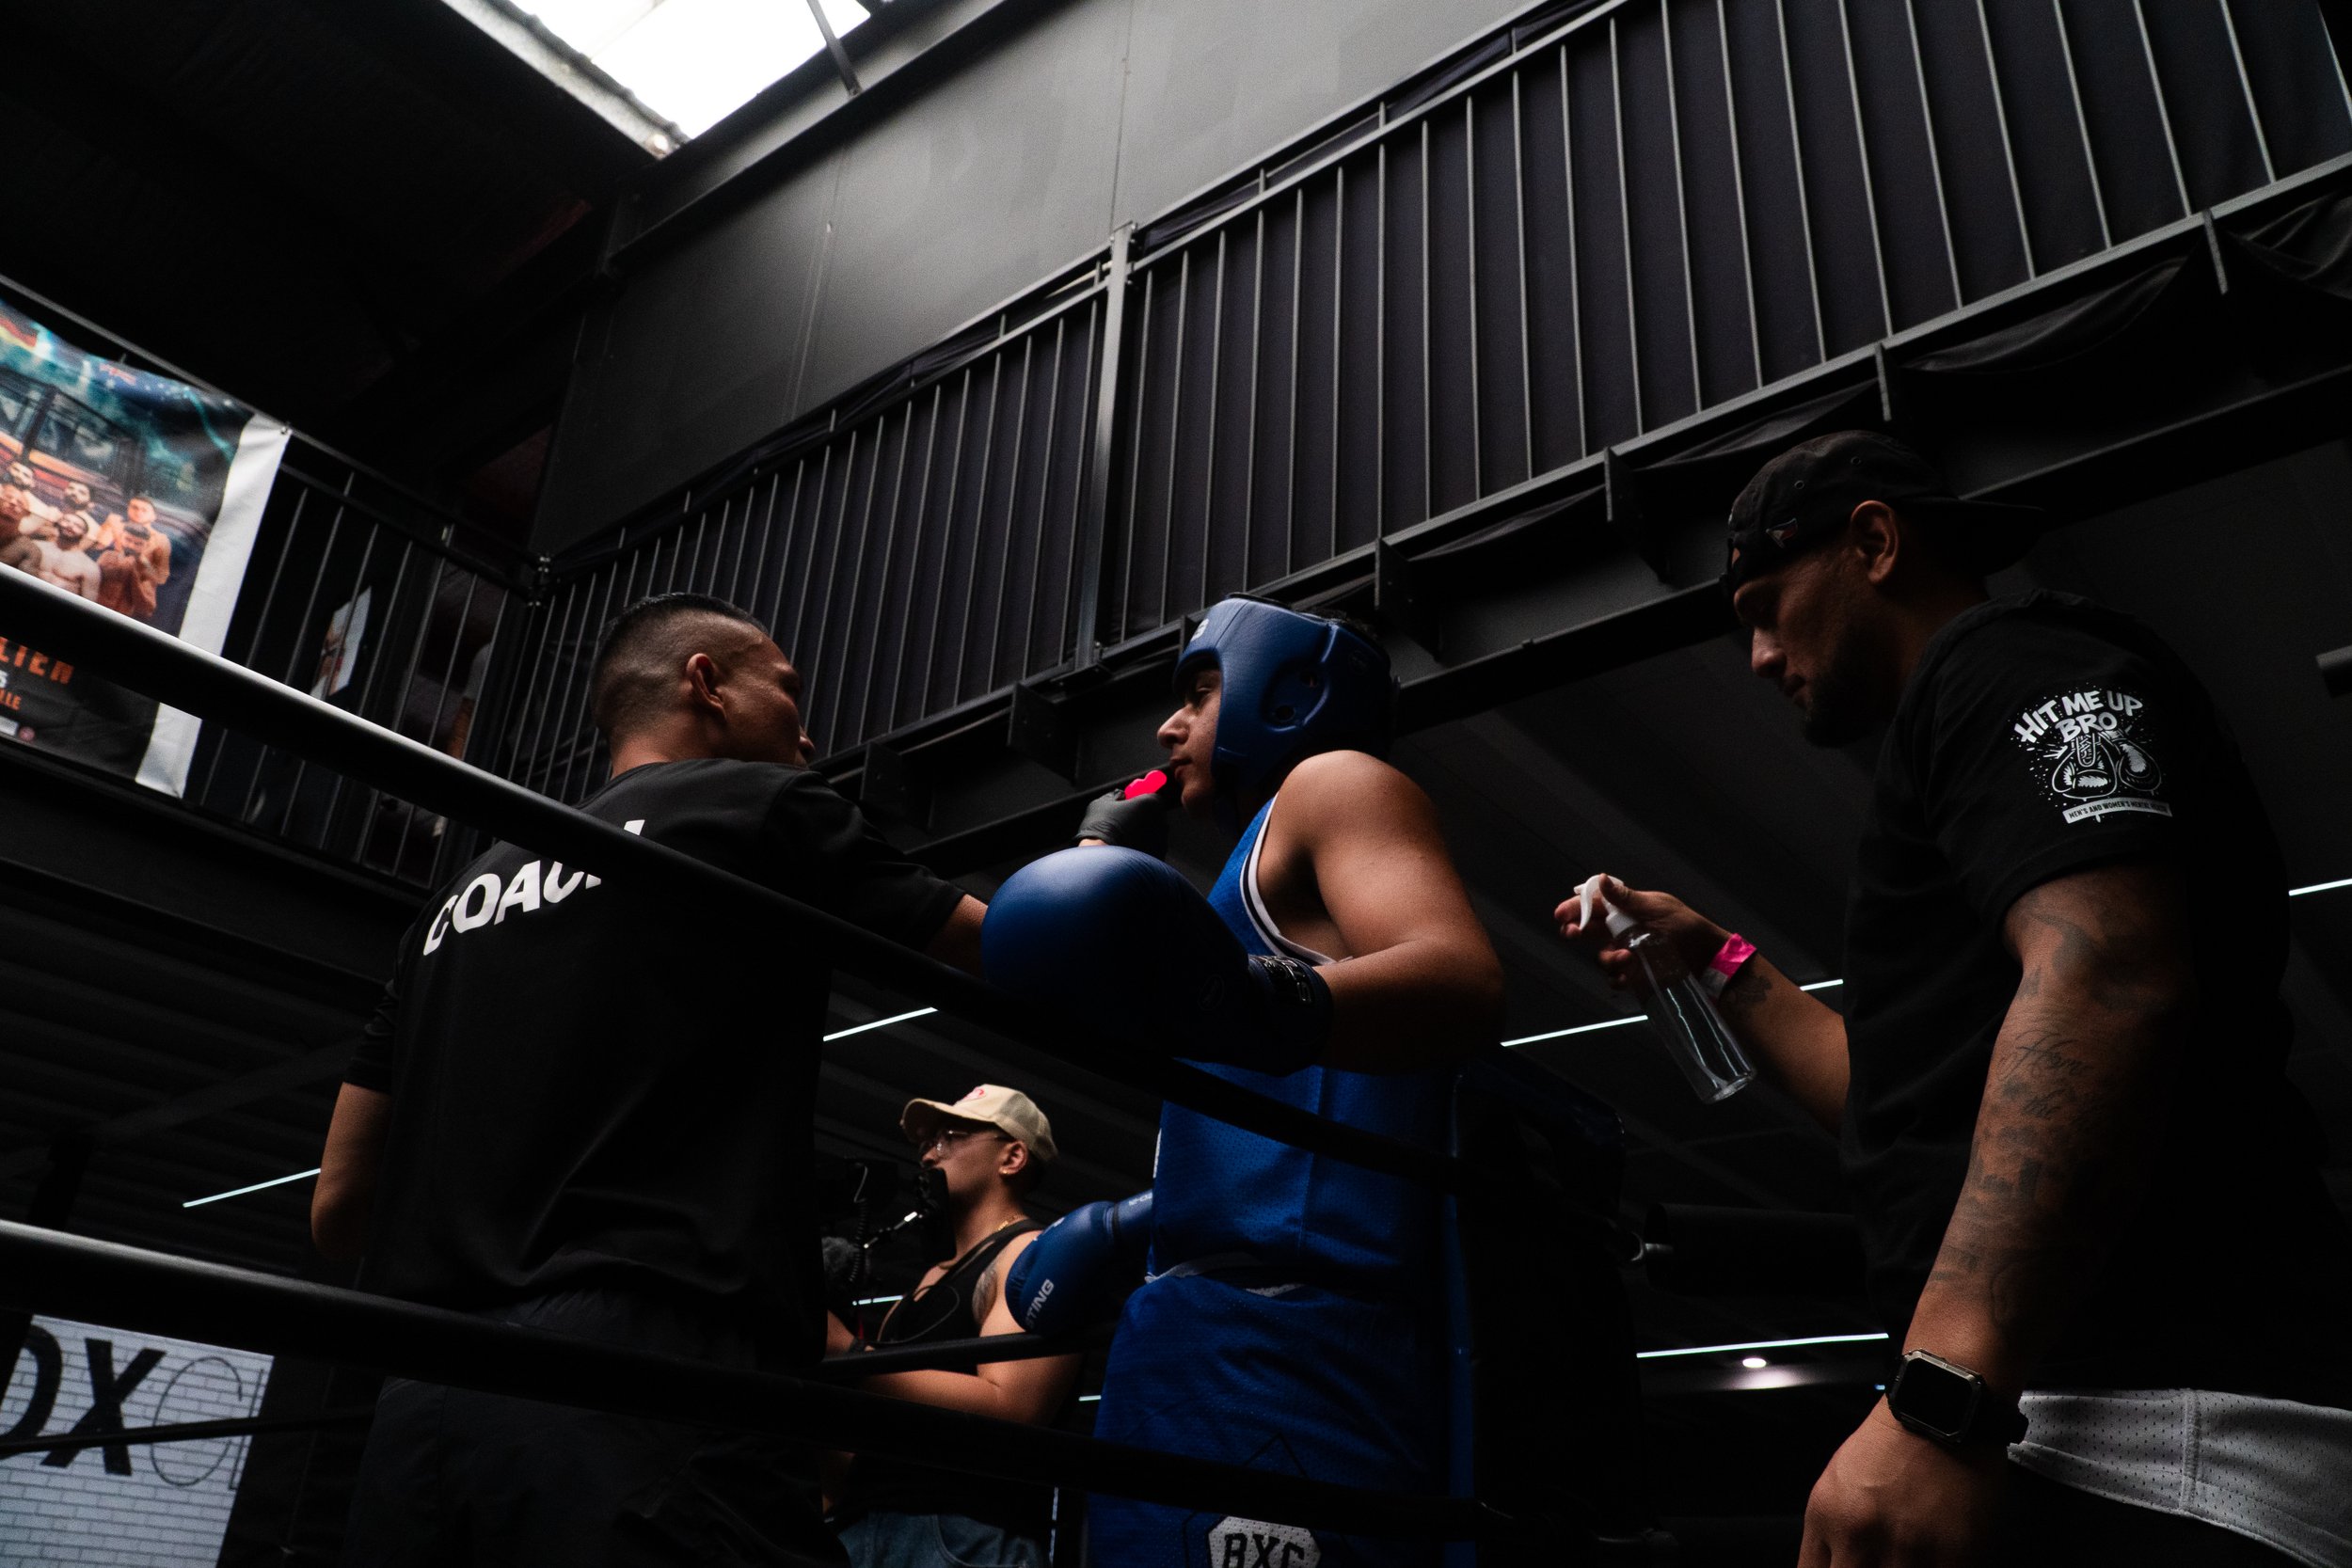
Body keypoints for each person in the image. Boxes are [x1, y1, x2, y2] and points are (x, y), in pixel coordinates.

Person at [1556, 431, 2352, 1567]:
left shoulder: (2005, 663)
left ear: (1874, 542)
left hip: (2164, 1436)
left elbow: (2110, 974)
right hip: (2085, 1426)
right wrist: (1713, 959)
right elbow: (1898, 1113)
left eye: (1766, 601)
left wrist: (1941, 1397)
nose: (1755, 651)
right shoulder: (1948, 750)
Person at [312, 591, 986, 1568]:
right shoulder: (754, 803)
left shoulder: (452, 906)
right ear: (706, 682)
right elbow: (996, 948)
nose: (809, 731)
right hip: (647, 1382)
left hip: (424, 1408)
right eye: (787, 689)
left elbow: (339, 1208)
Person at [985, 596, 1504, 1567]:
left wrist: (1247, 998)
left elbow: (1459, 977)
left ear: (1291, 690)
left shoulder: (1334, 782)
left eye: (1197, 691)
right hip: (1199, 1335)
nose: (1167, 726)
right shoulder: (1243, 867)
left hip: (1289, 1344)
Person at [830, 1085, 1083, 1568]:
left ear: (1011, 1157)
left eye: (952, 1136)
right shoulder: (923, 1285)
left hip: (961, 1533)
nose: (929, 1152)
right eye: (926, 1141)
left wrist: (850, 1359)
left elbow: (1013, 1406)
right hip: (861, 1526)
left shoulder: (1029, 1255)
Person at [93, 496, 171, 621]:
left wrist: (141, 564)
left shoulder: (161, 539)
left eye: (144, 510)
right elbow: (98, 546)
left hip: (134, 598)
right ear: (128, 509)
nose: (138, 513)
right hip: (106, 591)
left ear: (153, 516)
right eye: (135, 507)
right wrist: (109, 526)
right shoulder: (117, 525)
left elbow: (161, 577)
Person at [31, 511, 100, 600]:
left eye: (77, 526)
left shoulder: (89, 566)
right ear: (58, 524)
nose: (70, 526)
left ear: (84, 535)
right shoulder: (36, 546)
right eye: (66, 521)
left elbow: (89, 604)